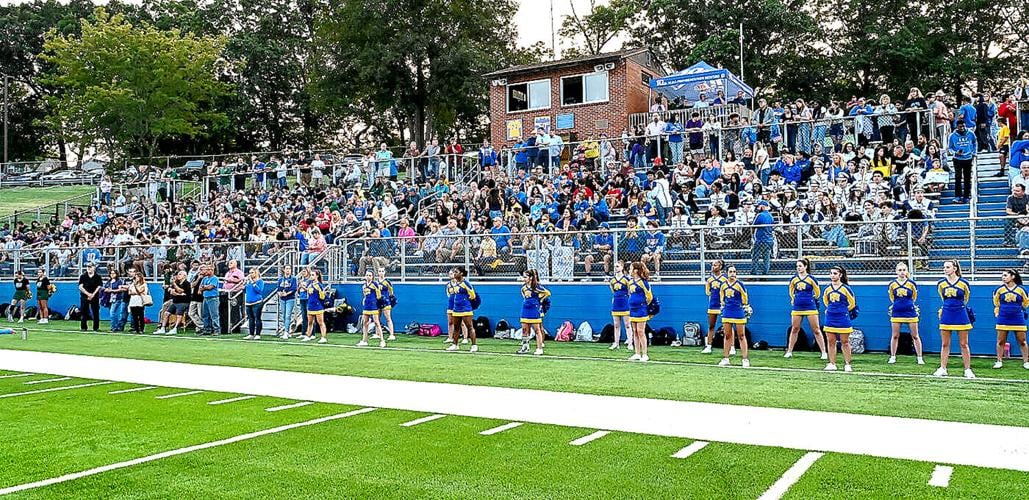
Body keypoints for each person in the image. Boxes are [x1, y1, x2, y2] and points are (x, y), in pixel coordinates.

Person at [935, 260, 975, 378]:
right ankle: (943, 368)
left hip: (960, 314)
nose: (945, 269)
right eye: (944, 267)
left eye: (948, 267)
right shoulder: (941, 284)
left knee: (964, 343)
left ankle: (967, 369)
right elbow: (943, 298)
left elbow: (966, 298)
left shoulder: (963, 283)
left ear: (955, 268)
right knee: (945, 343)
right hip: (947, 313)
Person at [784, 258, 828, 359]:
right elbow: (791, 290)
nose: (798, 268)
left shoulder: (811, 279)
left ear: (805, 267)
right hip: (797, 307)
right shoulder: (794, 279)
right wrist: (793, 299)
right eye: (797, 266)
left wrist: (813, 299)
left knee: (816, 329)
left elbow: (817, 292)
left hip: (810, 306)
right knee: (794, 328)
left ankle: (824, 352)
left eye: (800, 266)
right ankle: (789, 351)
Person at [887, 262, 924, 365]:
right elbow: (892, 297)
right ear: (896, 272)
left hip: (910, 312)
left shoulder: (911, 283)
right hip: (897, 312)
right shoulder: (892, 284)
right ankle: (893, 356)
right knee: (895, 335)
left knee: (915, 335)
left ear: (907, 271)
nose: (902, 272)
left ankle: (920, 357)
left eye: (904, 270)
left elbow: (914, 297)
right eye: (900, 270)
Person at [992, 269, 1029, 370]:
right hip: (1003, 318)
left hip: (1018, 318)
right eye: (1002, 276)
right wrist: (999, 311)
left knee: (1022, 341)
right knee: (1000, 341)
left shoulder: (1021, 290)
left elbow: (1026, 303)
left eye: (1005, 275)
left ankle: (1026, 361)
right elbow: (996, 302)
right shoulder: (999, 290)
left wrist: (1017, 309)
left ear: (1013, 277)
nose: (1003, 277)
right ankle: (999, 361)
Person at [823, 266, 857, 372]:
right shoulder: (828, 289)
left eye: (835, 273)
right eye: (831, 273)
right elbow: (825, 301)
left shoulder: (846, 288)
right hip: (830, 317)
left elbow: (852, 303)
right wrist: (830, 310)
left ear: (840, 275)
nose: (832, 276)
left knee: (845, 341)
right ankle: (832, 363)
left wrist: (843, 311)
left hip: (842, 318)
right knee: (831, 341)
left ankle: (847, 364)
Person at [717, 265, 750, 367]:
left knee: (741, 335)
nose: (732, 274)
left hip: (738, 311)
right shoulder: (723, 285)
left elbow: (745, 298)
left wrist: (744, 307)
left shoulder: (740, 284)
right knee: (727, 335)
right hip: (727, 311)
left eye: (734, 272)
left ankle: (745, 359)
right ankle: (726, 358)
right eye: (730, 271)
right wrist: (723, 306)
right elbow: (721, 297)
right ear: (727, 273)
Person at [516, 269, 550, 355]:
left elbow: (547, 293)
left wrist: (539, 300)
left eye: (526, 277)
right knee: (524, 330)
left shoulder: (537, 287)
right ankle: (525, 347)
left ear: (531, 277)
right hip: (525, 309)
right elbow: (525, 297)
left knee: (537, 330)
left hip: (534, 310)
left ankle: (539, 348)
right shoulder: (523, 288)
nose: (524, 278)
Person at [627, 262, 655, 362]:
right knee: (634, 331)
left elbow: (649, 296)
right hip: (632, 310)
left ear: (635, 271)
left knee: (640, 331)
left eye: (631, 269)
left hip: (641, 309)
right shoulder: (630, 282)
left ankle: (645, 354)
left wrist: (643, 304)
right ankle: (637, 353)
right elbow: (630, 294)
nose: (629, 270)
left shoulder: (643, 282)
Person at [446, 268, 478, 352]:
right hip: (456, 309)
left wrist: (465, 301)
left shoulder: (465, 283)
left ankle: (474, 345)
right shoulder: (456, 283)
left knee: (469, 327)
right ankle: (455, 344)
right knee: (456, 327)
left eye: (456, 272)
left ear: (462, 273)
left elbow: (473, 295)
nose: (454, 274)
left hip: (465, 309)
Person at [947, 120, 977, 204]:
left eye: (963, 126)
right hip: (957, 159)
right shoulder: (952, 136)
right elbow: (950, 148)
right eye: (960, 127)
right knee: (958, 177)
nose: (962, 128)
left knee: (967, 178)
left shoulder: (971, 133)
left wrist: (974, 152)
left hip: (968, 158)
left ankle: (966, 196)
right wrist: (955, 152)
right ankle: (958, 196)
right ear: (957, 127)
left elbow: (975, 143)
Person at [701, 260, 726, 354]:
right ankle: (708, 346)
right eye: (712, 265)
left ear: (720, 266)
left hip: (723, 306)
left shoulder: (724, 278)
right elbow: (708, 292)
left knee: (727, 326)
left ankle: (731, 347)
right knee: (711, 326)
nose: (713, 267)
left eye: (715, 265)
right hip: (712, 305)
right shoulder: (709, 279)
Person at [357, 270, 385, 348]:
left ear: (372, 277)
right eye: (367, 275)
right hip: (366, 305)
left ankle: (382, 340)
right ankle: (364, 340)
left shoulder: (375, 284)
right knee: (365, 323)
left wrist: (376, 302)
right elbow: (364, 295)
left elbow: (379, 295)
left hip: (373, 306)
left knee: (377, 322)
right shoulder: (364, 286)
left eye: (370, 275)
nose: (368, 277)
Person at [608, 261, 632, 350]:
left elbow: (630, 292)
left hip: (625, 303)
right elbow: (613, 291)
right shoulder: (612, 280)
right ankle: (616, 343)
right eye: (615, 267)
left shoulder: (626, 279)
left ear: (622, 267)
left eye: (617, 266)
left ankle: (630, 343)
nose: (616, 268)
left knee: (627, 324)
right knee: (616, 324)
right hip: (616, 303)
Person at [302, 269, 329, 344]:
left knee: (320, 322)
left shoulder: (319, 285)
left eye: (313, 275)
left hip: (317, 306)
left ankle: (323, 337)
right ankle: (308, 335)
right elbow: (308, 292)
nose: (311, 276)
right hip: (310, 305)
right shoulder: (310, 283)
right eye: (311, 275)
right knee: (310, 322)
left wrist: (322, 293)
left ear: (317, 276)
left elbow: (323, 297)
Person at [751, 201, 774, 275]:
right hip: (769, 239)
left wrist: (752, 236)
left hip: (761, 240)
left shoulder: (760, 215)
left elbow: (753, 226)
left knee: (755, 258)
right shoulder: (771, 216)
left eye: (759, 206)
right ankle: (765, 274)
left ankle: (753, 273)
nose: (758, 208)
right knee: (766, 258)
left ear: (762, 207)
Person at [78, 263, 103, 332]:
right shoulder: (83, 276)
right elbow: (80, 287)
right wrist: (88, 294)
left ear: (94, 268)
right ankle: (83, 327)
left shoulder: (98, 276)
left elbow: (99, 286)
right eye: (87, 267)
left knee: (95, 312)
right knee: (84, 312)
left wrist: (93, 294)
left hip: (95, 296)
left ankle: (96, 327)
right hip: (84, 296)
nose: (89, 268)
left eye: (90, 267)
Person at [276, 266, 297, 340]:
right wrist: (280, 294)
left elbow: (294, 288)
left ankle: (286, 332)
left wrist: (287, 294)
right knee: (284, 315)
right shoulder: (280, 279)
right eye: (286, 269)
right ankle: (287, 330)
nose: (288, 270)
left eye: (289, 269)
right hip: (282, 299)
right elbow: (278, 288)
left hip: (290, 298)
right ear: (284, 270)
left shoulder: (293, 279)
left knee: (288, 315)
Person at [243, 268, 265, 340]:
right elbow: (245, 291)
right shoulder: (248, 282)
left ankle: (258, 334)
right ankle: (251, 334)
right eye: (250, 272)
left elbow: (259, 291)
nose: (250, 274)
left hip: (257, 302)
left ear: (256, 273)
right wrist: (244, 284)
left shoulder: (260, 281)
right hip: (248, 302)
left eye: (252, 272)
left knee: (257, 318)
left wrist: (253, 283)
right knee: (250, 319)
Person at [199, 265, 221, 336]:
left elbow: (210, 287)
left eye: (208, 269)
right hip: (205, 298)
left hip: (213, 298)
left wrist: (204, 287)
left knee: (214, 315)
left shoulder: (214, 278)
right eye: (206, 269)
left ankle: (216, 329)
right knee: (205, 315)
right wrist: (205, 287)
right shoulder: (204, 278)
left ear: (212, 270)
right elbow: (200, 288)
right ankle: (207, 329)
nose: (206, 271)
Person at [376, 267, 397, 341]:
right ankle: (377, 333)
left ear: (384, 272)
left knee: (388, 318)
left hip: (386, 301)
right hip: (378, 301)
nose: (381, 272)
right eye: (379, 271)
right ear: (377, 272)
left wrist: (390, 298)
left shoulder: (387, 281)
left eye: (382, 271)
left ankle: (391, 334)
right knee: (377, 318)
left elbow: (391, 291)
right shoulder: (376, 282)